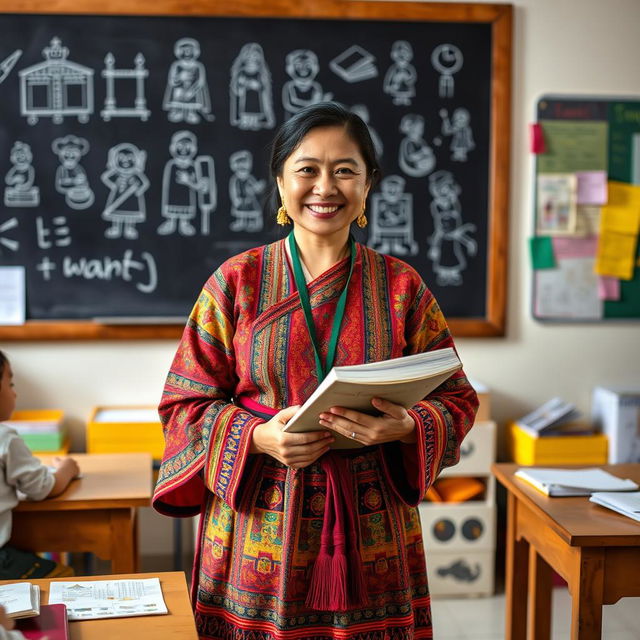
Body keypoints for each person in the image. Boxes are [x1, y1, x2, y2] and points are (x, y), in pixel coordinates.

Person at [153, 102, 478, 640]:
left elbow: (458, 399)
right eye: (307, 169)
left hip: (372, 524)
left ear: (368, 184)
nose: (325, 187)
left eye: (345, 170)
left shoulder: (402, 287)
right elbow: (182, 406)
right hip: (258, 523)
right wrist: (256, 437)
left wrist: (405, 426)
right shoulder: (237, 281)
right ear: (281, 182)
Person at [0, 351, 79, 580]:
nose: (14, 392)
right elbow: (44, 488)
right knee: (64, 575)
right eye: (10, 383)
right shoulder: (5, 439)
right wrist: (67, 468)